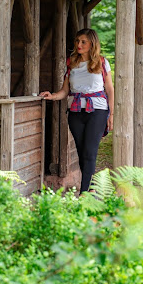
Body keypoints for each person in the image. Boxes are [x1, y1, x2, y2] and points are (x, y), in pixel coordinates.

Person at [40, 28, 114, 193]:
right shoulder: (71, 63)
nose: (79, 45)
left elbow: (110, 90)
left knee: (89, 152)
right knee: (82, 152)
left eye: (83, 42)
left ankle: (84, 192)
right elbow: (65, 91)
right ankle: (93, 186)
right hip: (75, 112)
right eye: (77, 41)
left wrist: (111, 114)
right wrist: (52, 96)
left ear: (92, 44)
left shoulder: (102, 63)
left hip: (98, 111)